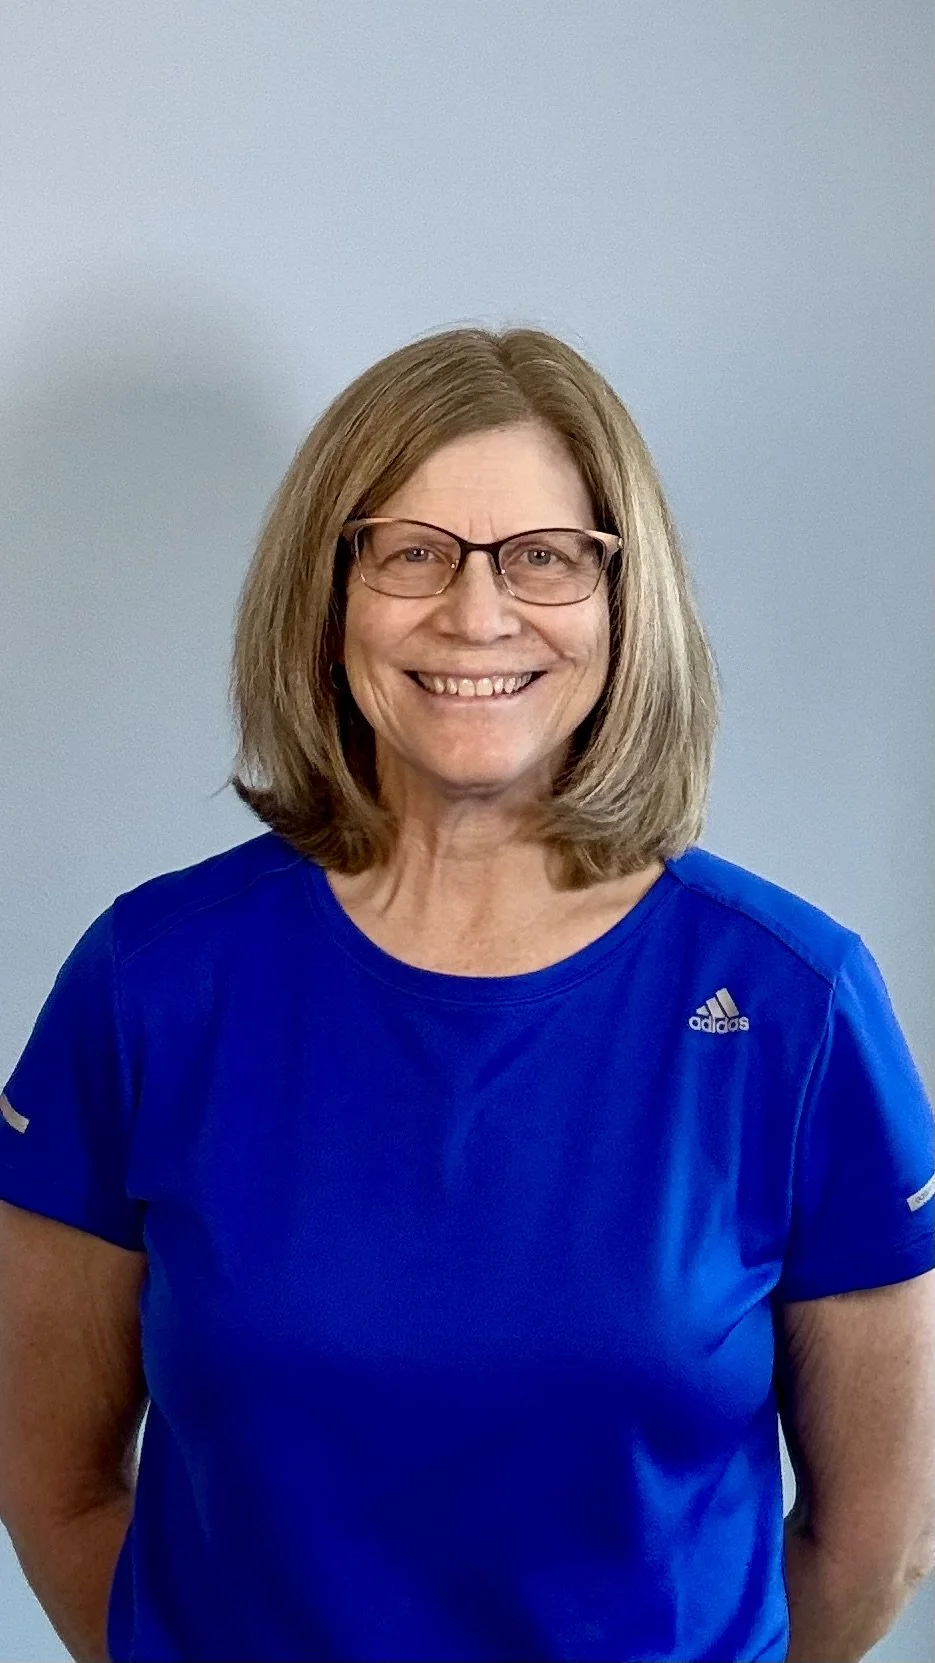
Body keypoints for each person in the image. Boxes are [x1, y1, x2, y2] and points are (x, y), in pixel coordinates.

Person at [0, 325, 932, 1663]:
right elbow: (52, 1481)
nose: (477, 614)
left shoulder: (795, 1004)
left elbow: (872, 1542)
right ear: (329, 594)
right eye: (411, 553)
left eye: (545, 556)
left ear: (624, 599)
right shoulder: (151, 980)